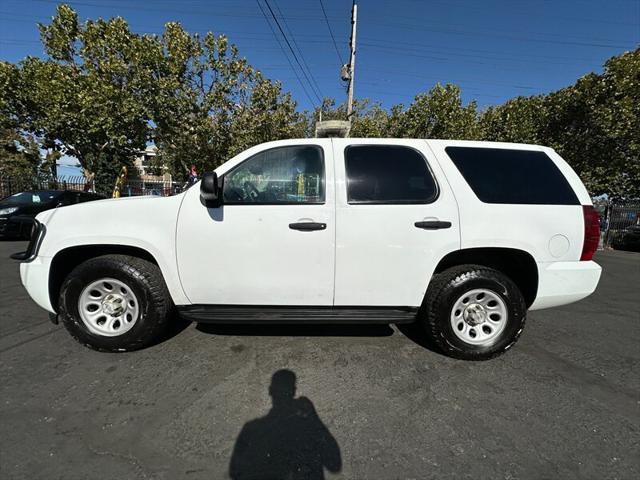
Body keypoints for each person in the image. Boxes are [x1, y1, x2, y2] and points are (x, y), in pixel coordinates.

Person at [229, 369, 342, 480]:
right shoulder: (308, 429)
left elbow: (235, 472)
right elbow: (334, 464)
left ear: (271, 391)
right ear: (293, 391)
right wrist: (313, 417)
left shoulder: (253, 430)